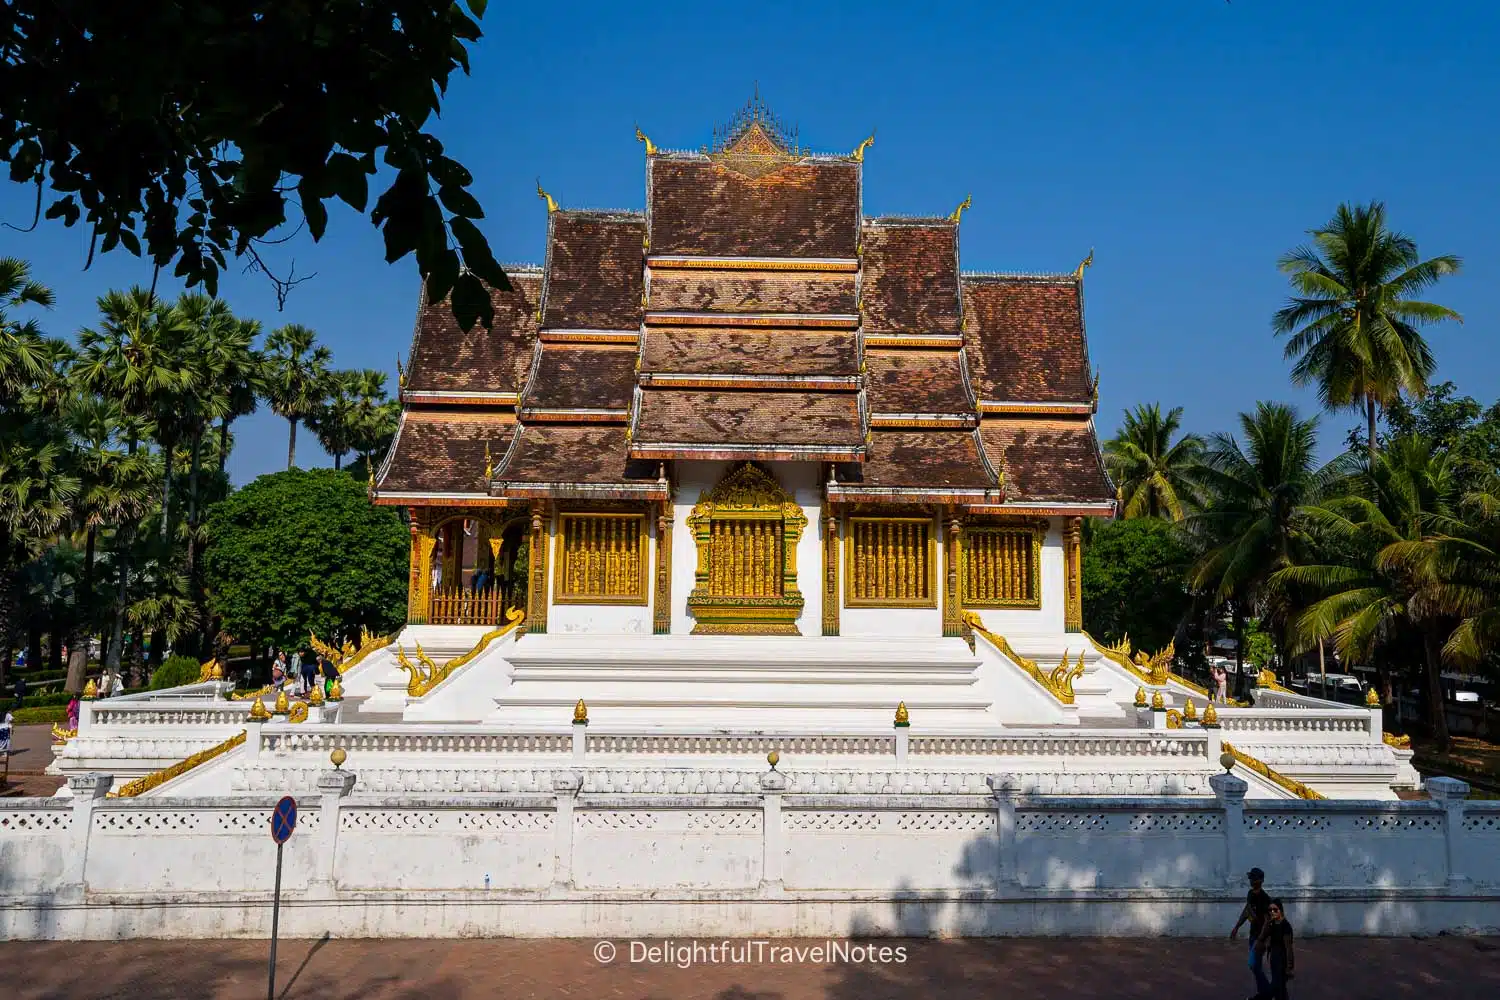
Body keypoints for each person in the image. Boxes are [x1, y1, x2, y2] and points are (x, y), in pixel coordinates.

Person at [1230, 866, 1272, 999]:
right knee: (1256, 967)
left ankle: (1268, 992)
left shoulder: (1265, 899)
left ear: (1260, 880)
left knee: (1253, 964)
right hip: (1253, 934)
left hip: (1261, 937)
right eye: (1250, 878)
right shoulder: (1250, 894)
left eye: (1253, 878)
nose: (1251, 880)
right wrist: (1237, 926)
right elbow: (1247, 910)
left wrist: (1261, 940)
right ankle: (1263, 994)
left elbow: (1267, 921)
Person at [1254, 899, 1295, 999]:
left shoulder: (1286, 926)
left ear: (1280, 910)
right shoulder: (1272, 924)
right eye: (1270, 910)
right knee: (1280, 989)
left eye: (1275, 909)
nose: (1272, 912)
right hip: (1273, 958)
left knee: (1275, 987)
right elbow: (1262, 936)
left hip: (1282, 960)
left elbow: (1288, 948)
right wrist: (1267, 922)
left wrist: (1289, 967)